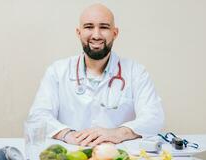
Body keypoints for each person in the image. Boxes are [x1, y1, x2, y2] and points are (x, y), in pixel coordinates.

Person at [28, 3, 164, 147]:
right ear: (78, 32)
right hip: (71, 155)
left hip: (118, 157)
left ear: (115, 33)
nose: (96, 35)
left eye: (104, 27)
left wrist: (117, 133)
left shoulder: (136, 72)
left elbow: (154, 117)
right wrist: (67, 134)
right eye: (89, 27)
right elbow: (38, 116)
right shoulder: (57, 71)